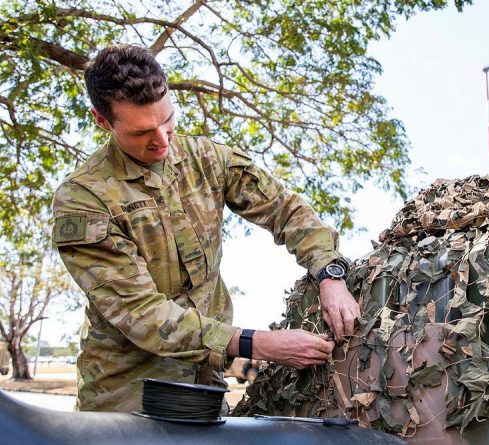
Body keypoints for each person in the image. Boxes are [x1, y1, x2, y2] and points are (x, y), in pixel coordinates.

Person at [52, 45, 360, 412]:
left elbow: (285, 210)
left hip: (205, 385)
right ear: (103, 121)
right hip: (128, 395)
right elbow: (143, 314)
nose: (162, 141)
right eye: (142, 132)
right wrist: (258, 344)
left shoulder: (208, 159)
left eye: (167, 121)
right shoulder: (83, 199)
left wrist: (329, 273)